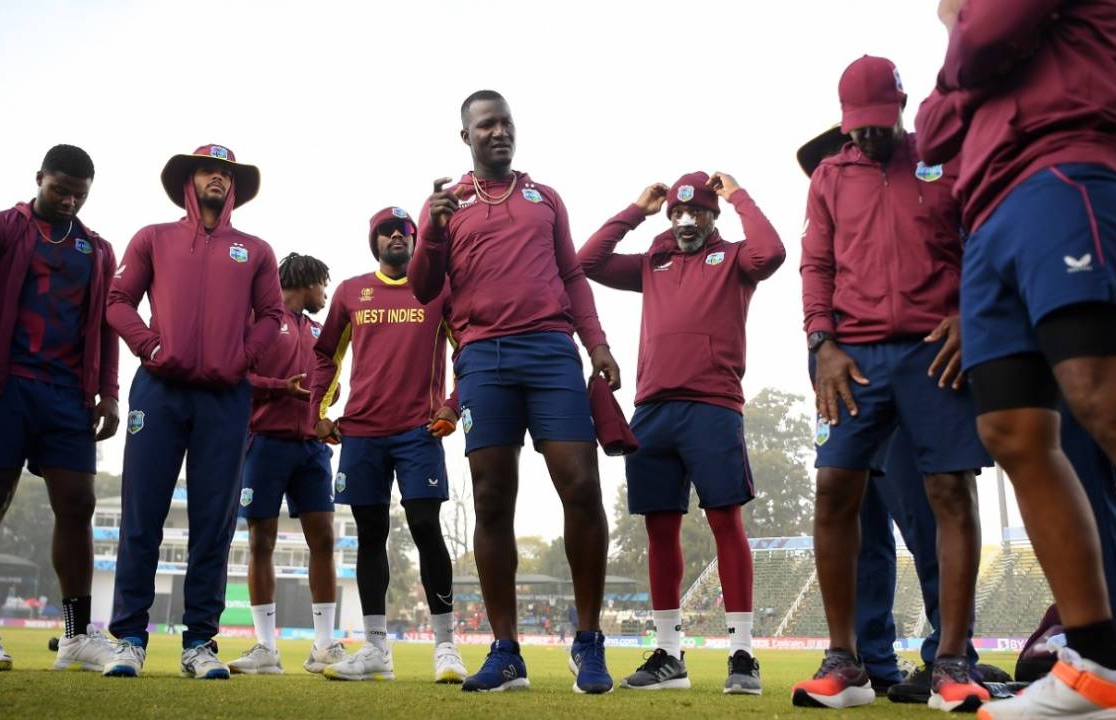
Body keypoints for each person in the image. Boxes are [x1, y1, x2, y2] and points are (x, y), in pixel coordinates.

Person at [917, 1, 1116, 717]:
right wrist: (968, 61)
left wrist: (963, 39)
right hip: (989, 209)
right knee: (1011, 431)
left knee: (1109, 398)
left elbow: (983, 38)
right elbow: (932, 132)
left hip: (1068, 175)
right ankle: (1098, 664)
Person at [792, 55, 990, 712]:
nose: (870, 136)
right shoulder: (828, 176)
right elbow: (815, 266)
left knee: (949, 493)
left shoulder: (942, 161)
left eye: (881, 124)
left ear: (901, 108)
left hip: (934, 351)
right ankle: (844, 662)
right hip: (855, 360)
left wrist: (969, 313)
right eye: (859, 126)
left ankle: (953, 664)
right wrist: (822, 344)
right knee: (834, 491)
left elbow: (979, 244)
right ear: (845, 120)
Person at [411, 89, 621, 693]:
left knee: (582, 484)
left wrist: (597, 343)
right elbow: (425, 290)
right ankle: (505, 652)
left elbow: (573, 275)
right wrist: (433, 231)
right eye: (486, 125)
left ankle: (588, 642)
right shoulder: (445, 207)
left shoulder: (544, 197)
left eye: (506, 123)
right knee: (492, 498)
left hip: (552, 351)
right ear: (466, 137)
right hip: (483, 358)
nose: (498, 132)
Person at [579, 171, 785, 694]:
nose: (686, 221)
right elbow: (587, 262)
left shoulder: (735, 257)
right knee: (659, 530)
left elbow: (772, 252)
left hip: (713, 406)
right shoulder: (654, 260)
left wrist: (738, 196)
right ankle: (669, 655)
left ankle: (743, 656)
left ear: (713, 215)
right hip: (652, 408)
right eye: (678, 212)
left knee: (724, 521)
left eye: (698, 212)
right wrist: (636, 210)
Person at [104, 144, 284, 680]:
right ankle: (130, 639)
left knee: (215, 523)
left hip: (226, 396)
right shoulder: (152, 238)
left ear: (234, 187)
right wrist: (150, 346)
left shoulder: (254, 249)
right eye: (209, 170)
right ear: (189, 179)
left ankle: (200, 643)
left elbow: (273, 315)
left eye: (226, 174)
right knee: (142, 516)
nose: (218, 179)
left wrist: (243, 357)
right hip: (159, 390)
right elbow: (117, 301)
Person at [0, 145, 119, 672]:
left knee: (78, 504)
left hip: (67, 394)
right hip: (2, 387)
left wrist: (108, 391)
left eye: (79, 194)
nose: (68, 200)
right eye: (59, 189)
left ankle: (74, 638)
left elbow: (107, 325)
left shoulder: (97, 249)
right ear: (39, 178)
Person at [310, 207, 467, 684]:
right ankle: (376, 648)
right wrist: (318, 413)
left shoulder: (438, 290)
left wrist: (453, 405)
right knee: (370, 532)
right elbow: (325, 354)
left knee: (424, 527)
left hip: (418, 430)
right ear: (374, 241)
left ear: (418, 243)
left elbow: (469, 349)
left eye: (405, 231)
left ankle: (446, 647)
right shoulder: (350, 291)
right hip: (361, 432)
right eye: (386, 231)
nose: (396, 235)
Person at [225, 252, 346, 676]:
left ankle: (326, 646)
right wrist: (281, 388)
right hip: (265, 443)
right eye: (322, 285)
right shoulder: (259, 320)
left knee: (325, 541)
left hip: (311, 448)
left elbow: (329, 381)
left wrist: (326, 409)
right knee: (261, 542)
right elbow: (236, 375)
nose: (325, 294)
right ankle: (265, 648)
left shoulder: (319, 331)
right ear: (306, 280)